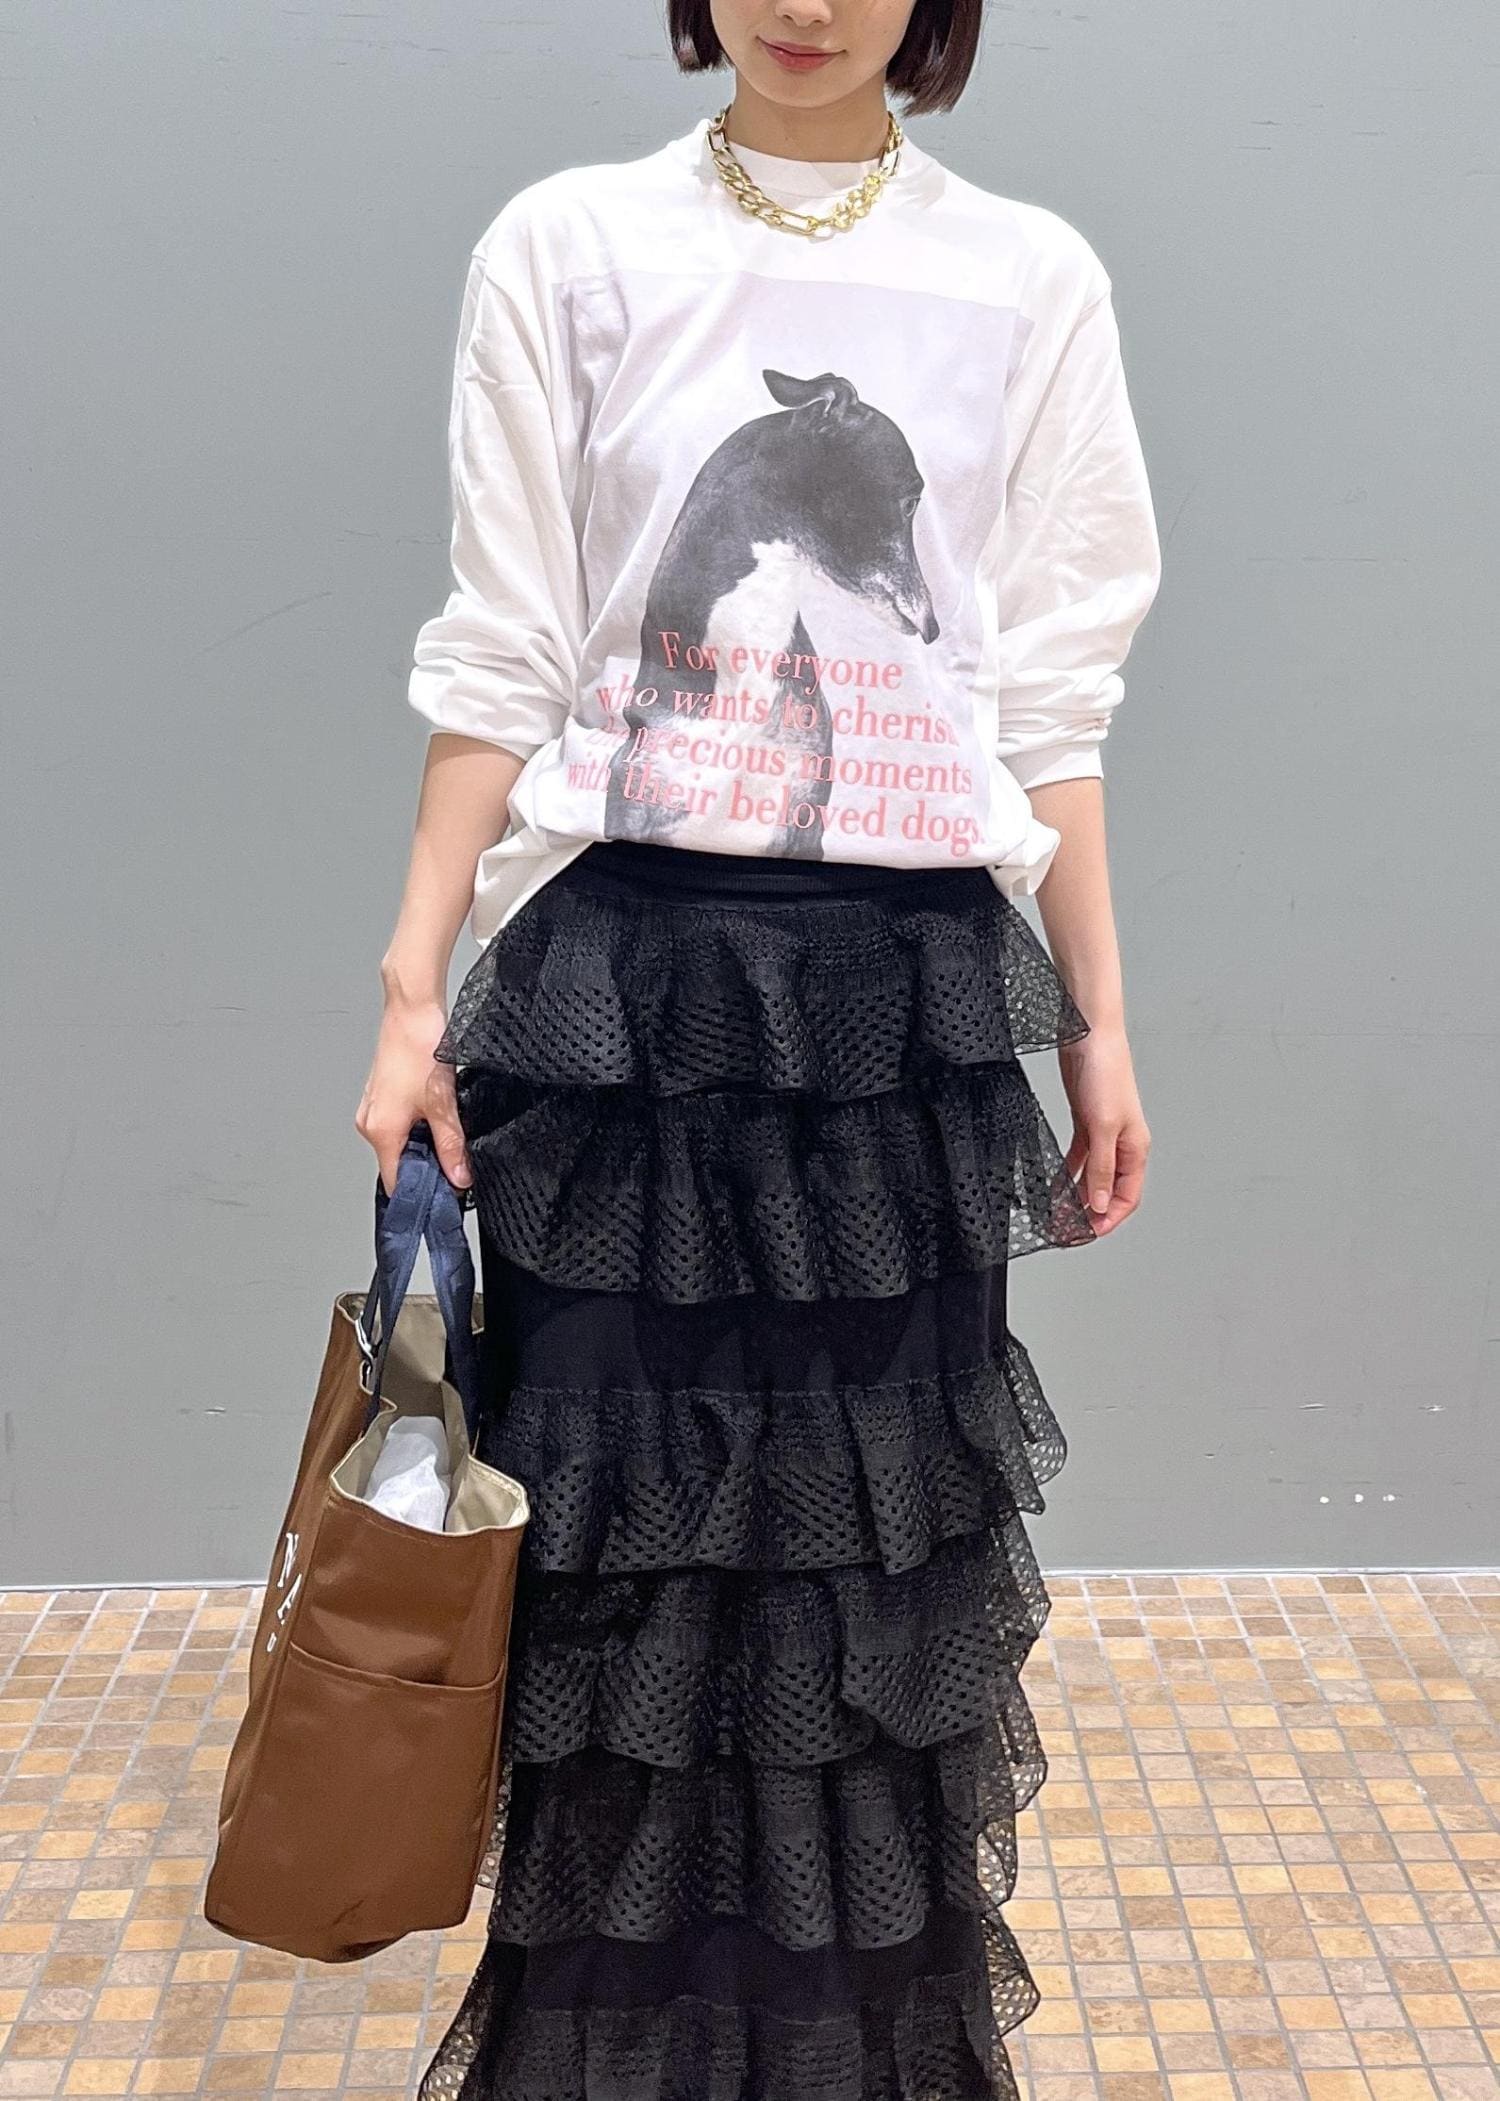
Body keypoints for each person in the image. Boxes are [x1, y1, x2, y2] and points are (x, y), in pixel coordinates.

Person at [357, 2, 1161, 2095]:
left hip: (902, 1021)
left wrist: (1100, 1025)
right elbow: (504, 651)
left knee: (866, 1606)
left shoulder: (1026, 278)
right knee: (612, 1596)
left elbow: (1048, 703)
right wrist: (413, 993)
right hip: (619, 1007)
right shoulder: (571, 247)